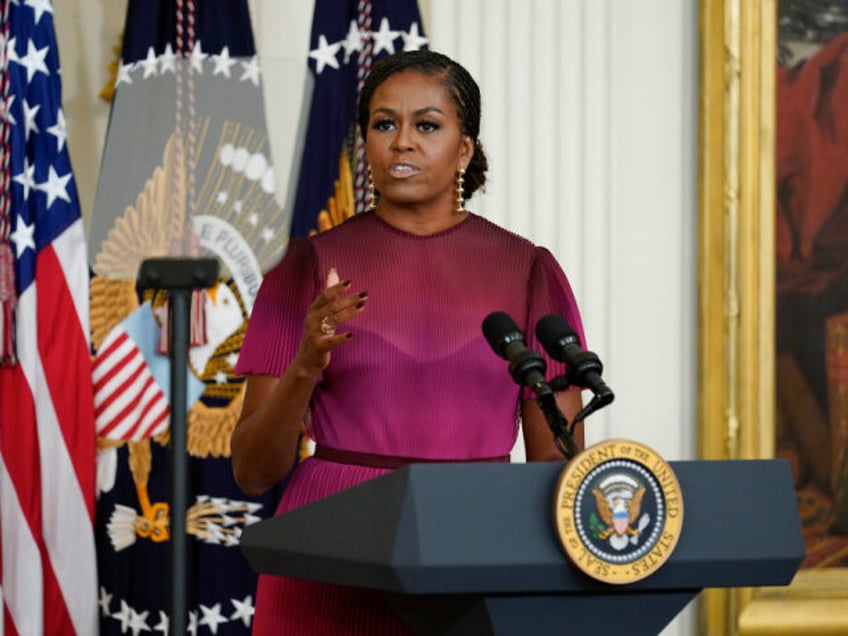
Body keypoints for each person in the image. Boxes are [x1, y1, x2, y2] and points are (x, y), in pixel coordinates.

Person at [231, 49, 587, 635]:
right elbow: (252, 472)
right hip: (328, 555)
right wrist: (305, 366)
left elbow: (556, 466)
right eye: (383, 124)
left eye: (426, 125)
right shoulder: (305, 267)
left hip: (476, 553)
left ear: (464, 150)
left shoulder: (527, 269)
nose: (402, 142)